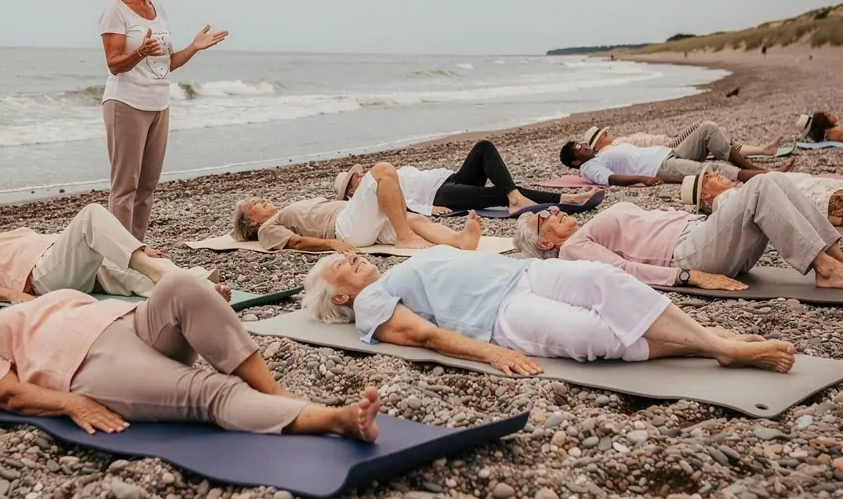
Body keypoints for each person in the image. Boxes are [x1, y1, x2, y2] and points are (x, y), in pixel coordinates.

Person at [0, 274, 380, 440]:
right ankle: (332, 420)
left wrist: (193, 305)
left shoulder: (23, 307)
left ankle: (276, 394)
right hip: (90, 367)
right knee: (210, 391)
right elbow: (11, 396)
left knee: (182, 286)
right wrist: (70, 404)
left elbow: (105, 308)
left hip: (127, 325)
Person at [302, 247, 795, 373]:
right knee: (592, 336)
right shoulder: (370, 303)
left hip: (523, 272)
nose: (349, 256)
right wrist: (488, 355)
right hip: (500, 316)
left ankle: (713, 341)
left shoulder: (390, 270)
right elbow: (422, 337)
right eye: (338, 265)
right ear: (340, 295)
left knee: (608, 281)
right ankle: (713, 349)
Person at [100, 0, 229, 240]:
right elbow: (114, 64)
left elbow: (166, 64)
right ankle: (121, 257)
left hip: (159, 105)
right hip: (126, 105)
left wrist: (194, 47)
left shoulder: (158, 9)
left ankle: (138, 249)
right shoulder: (115, 11)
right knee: (125, 187)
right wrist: (139, 53)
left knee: (147, 186)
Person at [512, 174, 843, 290]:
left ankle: (832, 255)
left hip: (702, 235)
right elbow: (625, 271)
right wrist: (688, 277)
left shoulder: (585, 230)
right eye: (543, 218)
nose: (552, 210)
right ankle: (825, 269)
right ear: (544, 242)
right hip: (689, 253)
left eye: (549, 209)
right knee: (760, 187)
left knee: (775, 182)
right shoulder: (573, 248)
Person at [0, 203, 223, 304]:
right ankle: (154, 268)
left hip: (67, 262)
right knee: (91, 213)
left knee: (139, 274)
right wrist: (11, 296)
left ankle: (202, 291)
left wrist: (130, 249)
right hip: (42, 276)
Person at [232, 163, 484, 253]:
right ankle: (404, 238)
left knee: (415, 220)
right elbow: (295, 242)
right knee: (383, 170)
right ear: (252, 222)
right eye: (254, 205)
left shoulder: (284, 211)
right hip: (344, 229)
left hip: (358, 224)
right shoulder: (268, 228)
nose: (260, 200)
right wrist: (332, 244)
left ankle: (459, 240)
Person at [334, 140, 599, 216]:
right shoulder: (371, 194)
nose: (359, 176)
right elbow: (398, 204)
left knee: (483, 147)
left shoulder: (378, 175)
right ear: (351, 193)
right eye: (353, 179)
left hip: (450, 180)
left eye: (356, 174)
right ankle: (566, 199)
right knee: (500, 193)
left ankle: (516, 197)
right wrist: (427, 209)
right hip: (440, 196)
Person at [559, 120, 786, 187]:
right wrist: (641, 178)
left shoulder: (600, 155)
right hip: (660, 168)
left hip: (670, 153)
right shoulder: (589, 168)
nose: (584, 145)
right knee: (708, 170)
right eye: (580, 148)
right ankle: (766, 175)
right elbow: (610, 179)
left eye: (582, 143)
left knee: (707, 129)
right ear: (576, 160)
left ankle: (753, 168)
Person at [688, 169, 843, 227]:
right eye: (709, 177)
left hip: (821, 191)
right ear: (705, 194)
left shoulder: (737, 192)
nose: (716, 174)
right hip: (825, 198)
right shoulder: (725, 201)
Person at [582, 123, 782, 157]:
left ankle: (762, 150)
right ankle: (761, 150)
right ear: (600, 141)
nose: (609, 134)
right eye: (604, 134)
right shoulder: (612, 149)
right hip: (667, 149)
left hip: (669, 143)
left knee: (713, 138)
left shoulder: (616, 144)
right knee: (702, 127)